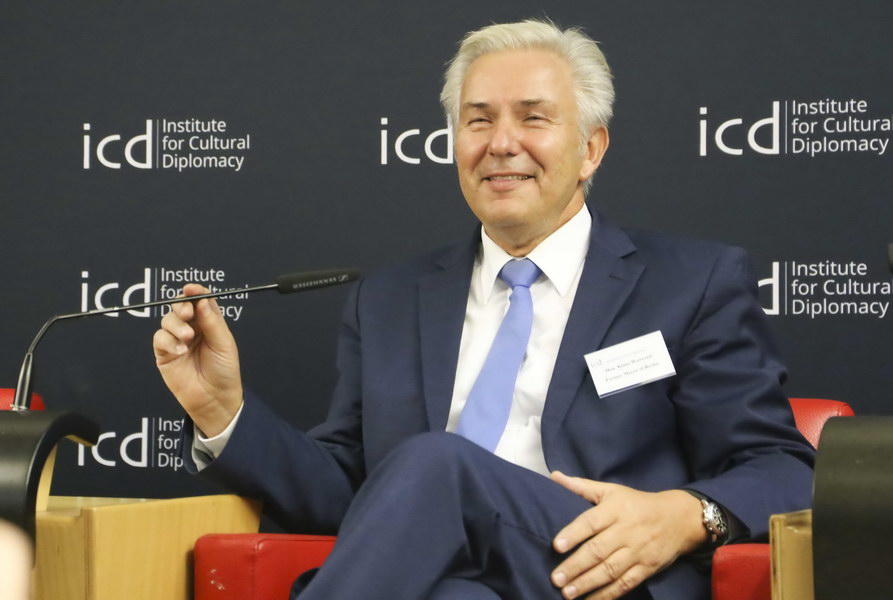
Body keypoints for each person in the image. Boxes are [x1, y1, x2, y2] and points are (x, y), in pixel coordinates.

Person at [153, 20, 815, 600]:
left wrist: (685, 514)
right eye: (478, 120)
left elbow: (785, 469)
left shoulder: (690, 282)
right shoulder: (389, 300)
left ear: (590, 149)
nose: (500, 143)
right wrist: (222, 412)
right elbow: (351, 496)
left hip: (600, 571)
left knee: (437, 463)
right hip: (448, 575)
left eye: (533, 118)